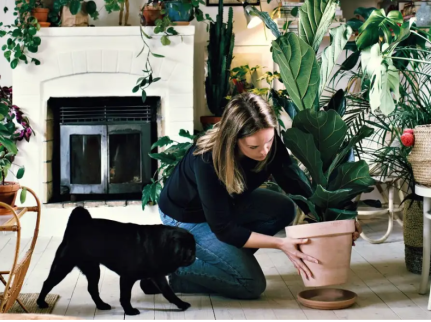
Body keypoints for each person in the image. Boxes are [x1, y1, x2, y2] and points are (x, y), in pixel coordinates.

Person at [144, 92, 361, 300]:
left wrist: (337, 220)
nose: (264, 151)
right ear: (233, 139)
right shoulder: (207, 159)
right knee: (250, 284)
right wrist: (280, 244)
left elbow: (294, 184)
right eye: (254, 146)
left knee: (284, 209)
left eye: (268, 142)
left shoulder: (268, 142)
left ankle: (228, 259)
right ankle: (168, 271)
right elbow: (223, 228)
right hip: (185, 219)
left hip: (226, 206)